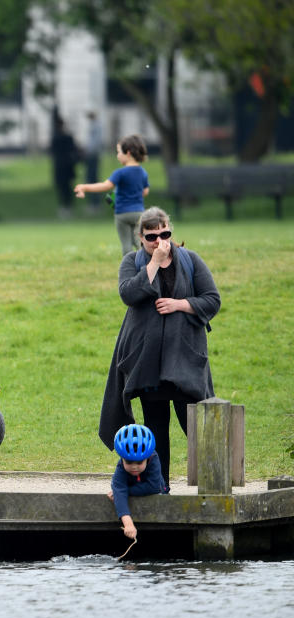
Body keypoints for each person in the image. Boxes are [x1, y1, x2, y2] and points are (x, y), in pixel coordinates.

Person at [98, 207, 221, 486]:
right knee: (155, 430)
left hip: (184, 359)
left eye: (165, 234)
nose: (159, 241)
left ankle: (213, 484)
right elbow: (128, 293)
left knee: (196, 427)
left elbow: (212, 299)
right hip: (149, 362)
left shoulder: (190, 260)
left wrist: (180, 304)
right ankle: (159, 489)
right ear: (140, 237)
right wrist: (154, 263)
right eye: (152, 236)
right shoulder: (132, 261)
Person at [74, 134, 150, 254]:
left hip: (122, 214)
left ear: (128, 153)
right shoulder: (143, 172)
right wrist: (133, 195)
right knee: (139, 242)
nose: (117, 155)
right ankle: (147, 266)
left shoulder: (120, 173)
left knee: (126, 244)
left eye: (119, 152)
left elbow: (105, 186)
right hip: (139, 213)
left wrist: (85, 187)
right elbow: (145, 191)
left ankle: (128, 269)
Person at [108, 424, 169, 540]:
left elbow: (153, 487)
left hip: (159, 495)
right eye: (129, 462)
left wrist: (125, 492)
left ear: (147, 458)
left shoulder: (153, 458)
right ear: (122, 458)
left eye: (139, 462)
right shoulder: (121, 466)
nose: (134, 467)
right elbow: (119, 491)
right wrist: (128, 524)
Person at [50, 115, 79, 219]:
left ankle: (66, 207)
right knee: (66, 188)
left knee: (64, 188)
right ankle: (67, 207)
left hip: (61, 166)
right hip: (67, 166)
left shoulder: (57, 138)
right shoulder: (67, 137)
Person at [83, 111, 103, 211]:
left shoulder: (96, 126)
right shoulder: (93, 125)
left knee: (92, 179)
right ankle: (93, 203)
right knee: (90, 179)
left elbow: (94, 143)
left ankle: (95, 204)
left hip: (93, 155)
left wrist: (89, 152)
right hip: (91, 155)